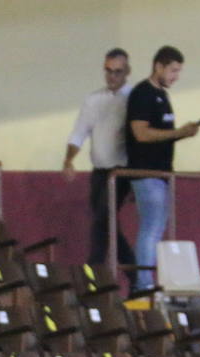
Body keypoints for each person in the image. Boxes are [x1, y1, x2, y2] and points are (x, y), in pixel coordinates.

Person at [125, 44, 200, 292]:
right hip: (147, 172)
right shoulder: (142, 94)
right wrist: (178, 132)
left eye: (178, 72)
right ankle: (143, 284)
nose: (175, 77)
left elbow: (163, 134)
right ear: (158, 66)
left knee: (156, 228)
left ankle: (146, 282)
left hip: (160, 173)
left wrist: (182, 134)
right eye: (172, 71)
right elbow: (141, 133)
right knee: (151, 228)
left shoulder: (162, 95)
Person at [63, 47, 134, 268]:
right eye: (108, 71)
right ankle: (135, 276)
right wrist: (68, 160)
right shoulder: (94, 99)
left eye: (117, 72)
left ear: (127, 71)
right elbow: (80, 132)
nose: (112, 76)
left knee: (102, 221)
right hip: (99, 172)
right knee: (107, 225)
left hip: (122, 172)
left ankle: (93, 272)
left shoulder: (133, 98)